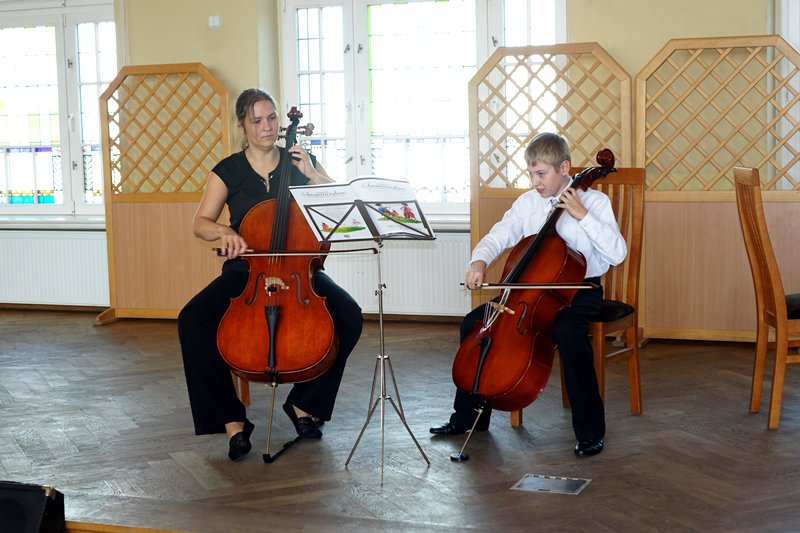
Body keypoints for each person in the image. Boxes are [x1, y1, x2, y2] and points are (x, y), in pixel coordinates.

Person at [178, 88, 363, 461]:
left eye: (272, 118)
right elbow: (201, 223)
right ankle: (232, 420)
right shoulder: (228, 170)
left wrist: (312, 174)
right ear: (242, 126)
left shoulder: (301, 160)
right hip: (247, 270)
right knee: (192, 320)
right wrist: (224, 231)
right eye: (257, 120)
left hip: (299, 271)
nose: (267, 127)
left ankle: (304, 403)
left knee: (349, 316)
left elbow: (341, 202)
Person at [429, 132, 626, 457]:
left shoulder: (594, 202)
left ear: (564, 168)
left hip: (579, 289)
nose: (535, 182)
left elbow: (617, 254)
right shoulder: (527, 203)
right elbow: (500, 234)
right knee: (474, 322)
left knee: (569, 332)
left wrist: (583, 216)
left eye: (541, 174)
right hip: (529, 292)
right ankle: (469, 417)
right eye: (532, 174)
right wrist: (479, 261)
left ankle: (591, 431)